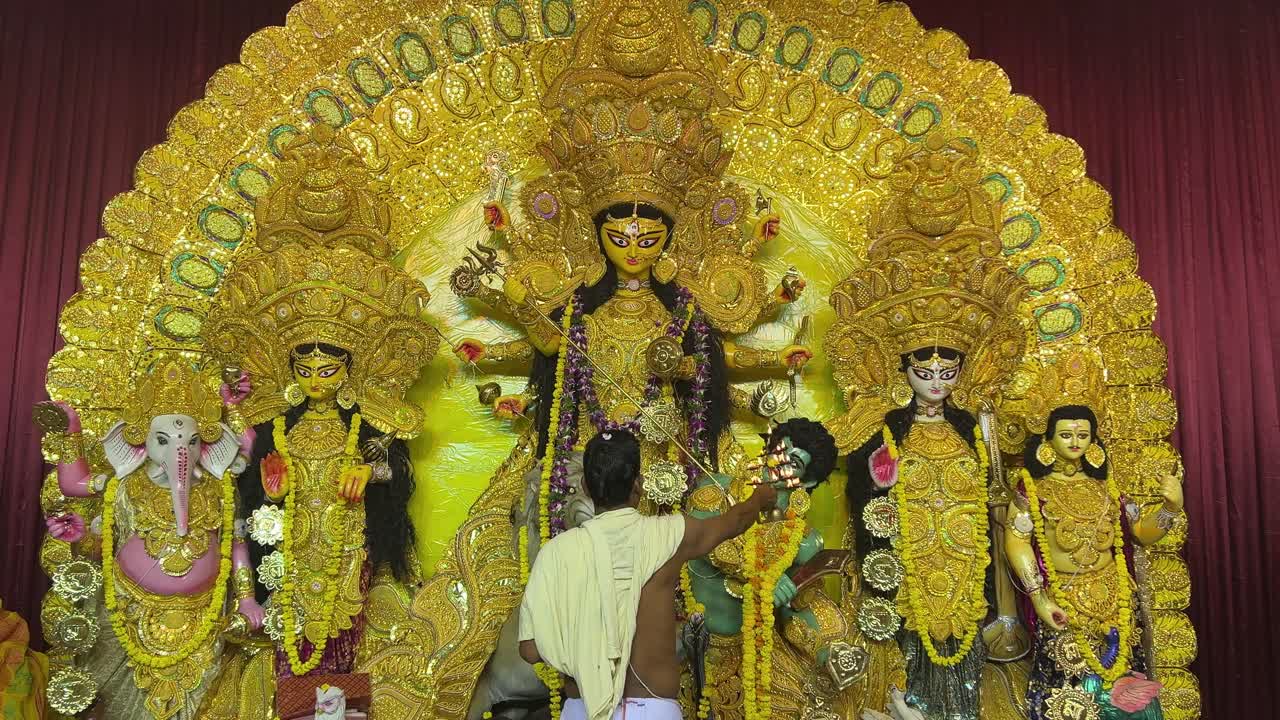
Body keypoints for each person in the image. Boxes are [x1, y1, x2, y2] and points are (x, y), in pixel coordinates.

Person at [518, 430, 778, 720]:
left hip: (583, 710)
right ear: (639, 485)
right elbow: (735, 521)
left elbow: (530, 650)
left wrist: (585, 641)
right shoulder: (672, 534)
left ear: (585, 487)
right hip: (653, 711)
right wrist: (759, 499)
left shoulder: (556, 554)